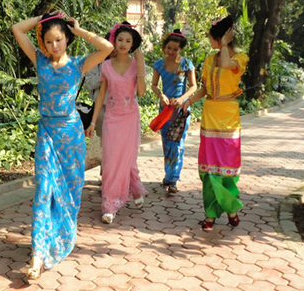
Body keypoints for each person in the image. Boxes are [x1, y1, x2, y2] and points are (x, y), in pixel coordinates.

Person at [11, 13, 113, 280]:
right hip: (47, 132)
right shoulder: (40, 60)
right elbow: (16, 29)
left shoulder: (79, 64)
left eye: (59, 40)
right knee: (44, 189)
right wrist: (43, 18)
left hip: (71, 136)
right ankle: (37, 254)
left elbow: (107, 48)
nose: (54, 46)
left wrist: (79, 31)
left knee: (69, 193)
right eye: (48, 41)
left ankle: (57, 238)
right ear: (42, 43)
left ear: (66, 39)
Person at [180, 16, 248, 231]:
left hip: (228, 117)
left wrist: (225, 45)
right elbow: (205, 88)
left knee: (226, 167)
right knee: (208, 168)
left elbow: (227, 64)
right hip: (210, 115)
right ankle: (211, 213)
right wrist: (189, 100)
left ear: (222, 38)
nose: (209, 41)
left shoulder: (241, 58)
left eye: (212, 38)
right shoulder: (210, 59)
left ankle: (230, 208)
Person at [86, 22, 148, 224]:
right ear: (114, 41)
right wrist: (92, 122)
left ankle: (134, 188)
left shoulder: (136, 63)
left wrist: (140, 66)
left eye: (128, 41)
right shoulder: (105, 65)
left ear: (133, 44)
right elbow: (101, 95)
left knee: (128, 159)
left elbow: (141, 92)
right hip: (111, 118)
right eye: (120, 39)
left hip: (130, 117)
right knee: (111, 161)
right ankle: (109, 205)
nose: (123, 43)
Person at [151, 29, 197, 194]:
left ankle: (172, 180)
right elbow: (154, 85)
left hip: (181, 110)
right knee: (167, 143)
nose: (171, 52)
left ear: (180, 49)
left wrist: (183, 99)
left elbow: (194, 86)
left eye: (175, 49)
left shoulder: (186, 64)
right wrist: (161, 95)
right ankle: (169, 176)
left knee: (177, 144)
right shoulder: (159, 64)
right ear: (164, 46)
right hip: (165, 110)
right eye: (168, 48)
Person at [83, 32, 114, 172]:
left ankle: (114, 174)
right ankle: (106, 173)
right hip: (101, 108)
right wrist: (103, 73)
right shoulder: (96, 60)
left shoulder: (125, 62)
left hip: (121, 108)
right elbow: (89, 83)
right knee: (104, 143)